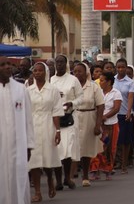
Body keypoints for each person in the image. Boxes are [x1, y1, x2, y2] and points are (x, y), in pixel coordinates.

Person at [0, 56, 34, 204]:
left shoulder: (21, 89)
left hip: (17, 144)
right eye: (3, 65)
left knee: (17, 175)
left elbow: (28, 118)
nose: (8, 67)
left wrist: (29, 145)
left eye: (9, 64)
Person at [28, 62, 64, 201]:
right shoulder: (28, 90)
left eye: (40, 71)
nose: (37, 73)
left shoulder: (53, 90)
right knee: (34, 160)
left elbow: (56, 111)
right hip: (33, 126)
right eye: (35, 71)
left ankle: (50, 180)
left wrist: (58, 131)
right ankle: (37, 192)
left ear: (46, 72)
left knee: (48, 158)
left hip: (49, 124)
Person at [51, 54, 83, 190]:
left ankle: (68, 178)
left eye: (62, 62)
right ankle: (58, 181)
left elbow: (81, 97)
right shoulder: (51, 80)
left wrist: (72, 103)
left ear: (66, 64)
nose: (59, 64)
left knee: (68, 149)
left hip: (69, 118)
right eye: (57, 62)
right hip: (55, 120)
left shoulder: (73, 80)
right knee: (57, 150)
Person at [72, 63, 104, 187]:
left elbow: (100, 105)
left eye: (80, 71)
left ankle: (85, 176)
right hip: (74, 116)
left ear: (86, 72)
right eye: (75, 71)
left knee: (86, 148)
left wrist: (98, 125)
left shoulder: (94, 87)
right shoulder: (71, 86)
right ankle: (70, 176)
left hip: (89, 117)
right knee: (72, 146)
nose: (77, 74)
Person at [90, 72, 121, 181]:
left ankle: (108, 170)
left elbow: (116, 108)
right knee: (97, 148)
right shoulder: (98, 93)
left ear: (109, 82)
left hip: (111, 125)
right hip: (99, 124)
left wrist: (105, 116)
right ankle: (95, 170)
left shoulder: (116, 93)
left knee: (109, 148)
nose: (100, 82)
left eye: (102, 80)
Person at [113, 58, 134, 174]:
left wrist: (129, 111)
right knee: (114, 140)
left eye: (123, 67)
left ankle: (124, 164)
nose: (120, 69)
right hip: (113, 113)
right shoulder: (112, 80)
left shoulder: (130, 82)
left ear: (126, 67)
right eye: (118, 67)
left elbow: (131, 97)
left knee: (125, 141)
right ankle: (113, 163)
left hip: (124, 114)